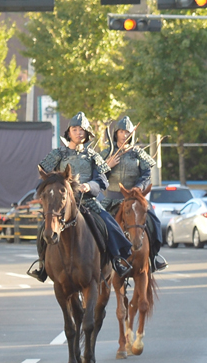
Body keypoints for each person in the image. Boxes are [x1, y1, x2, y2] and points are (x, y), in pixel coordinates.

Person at [29, 113, 134, 281]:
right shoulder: (58, 154)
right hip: (61, 205)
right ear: (68, 132)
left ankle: (116, 259)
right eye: (74, 129)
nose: (78, 133)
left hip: (87, 202)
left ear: (87, 133)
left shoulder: (93, 156)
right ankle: (42, 265)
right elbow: (44, 176)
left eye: (82, 130)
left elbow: (102, 181)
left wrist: (89, 186)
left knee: (109, 223)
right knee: (44, 228)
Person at [101, 116, 168, 271]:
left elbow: (146, 174)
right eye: (122, 131)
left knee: (153, 220)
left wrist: (137, 188)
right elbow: (97, 175)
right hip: (111, 199)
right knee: (95, 223)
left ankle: (154, 256)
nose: (125, 135)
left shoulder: (138, 153)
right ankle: (99, 259)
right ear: (116, 133)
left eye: (128, 132)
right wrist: (107, 165)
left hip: (135, 199)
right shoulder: (106, 153)